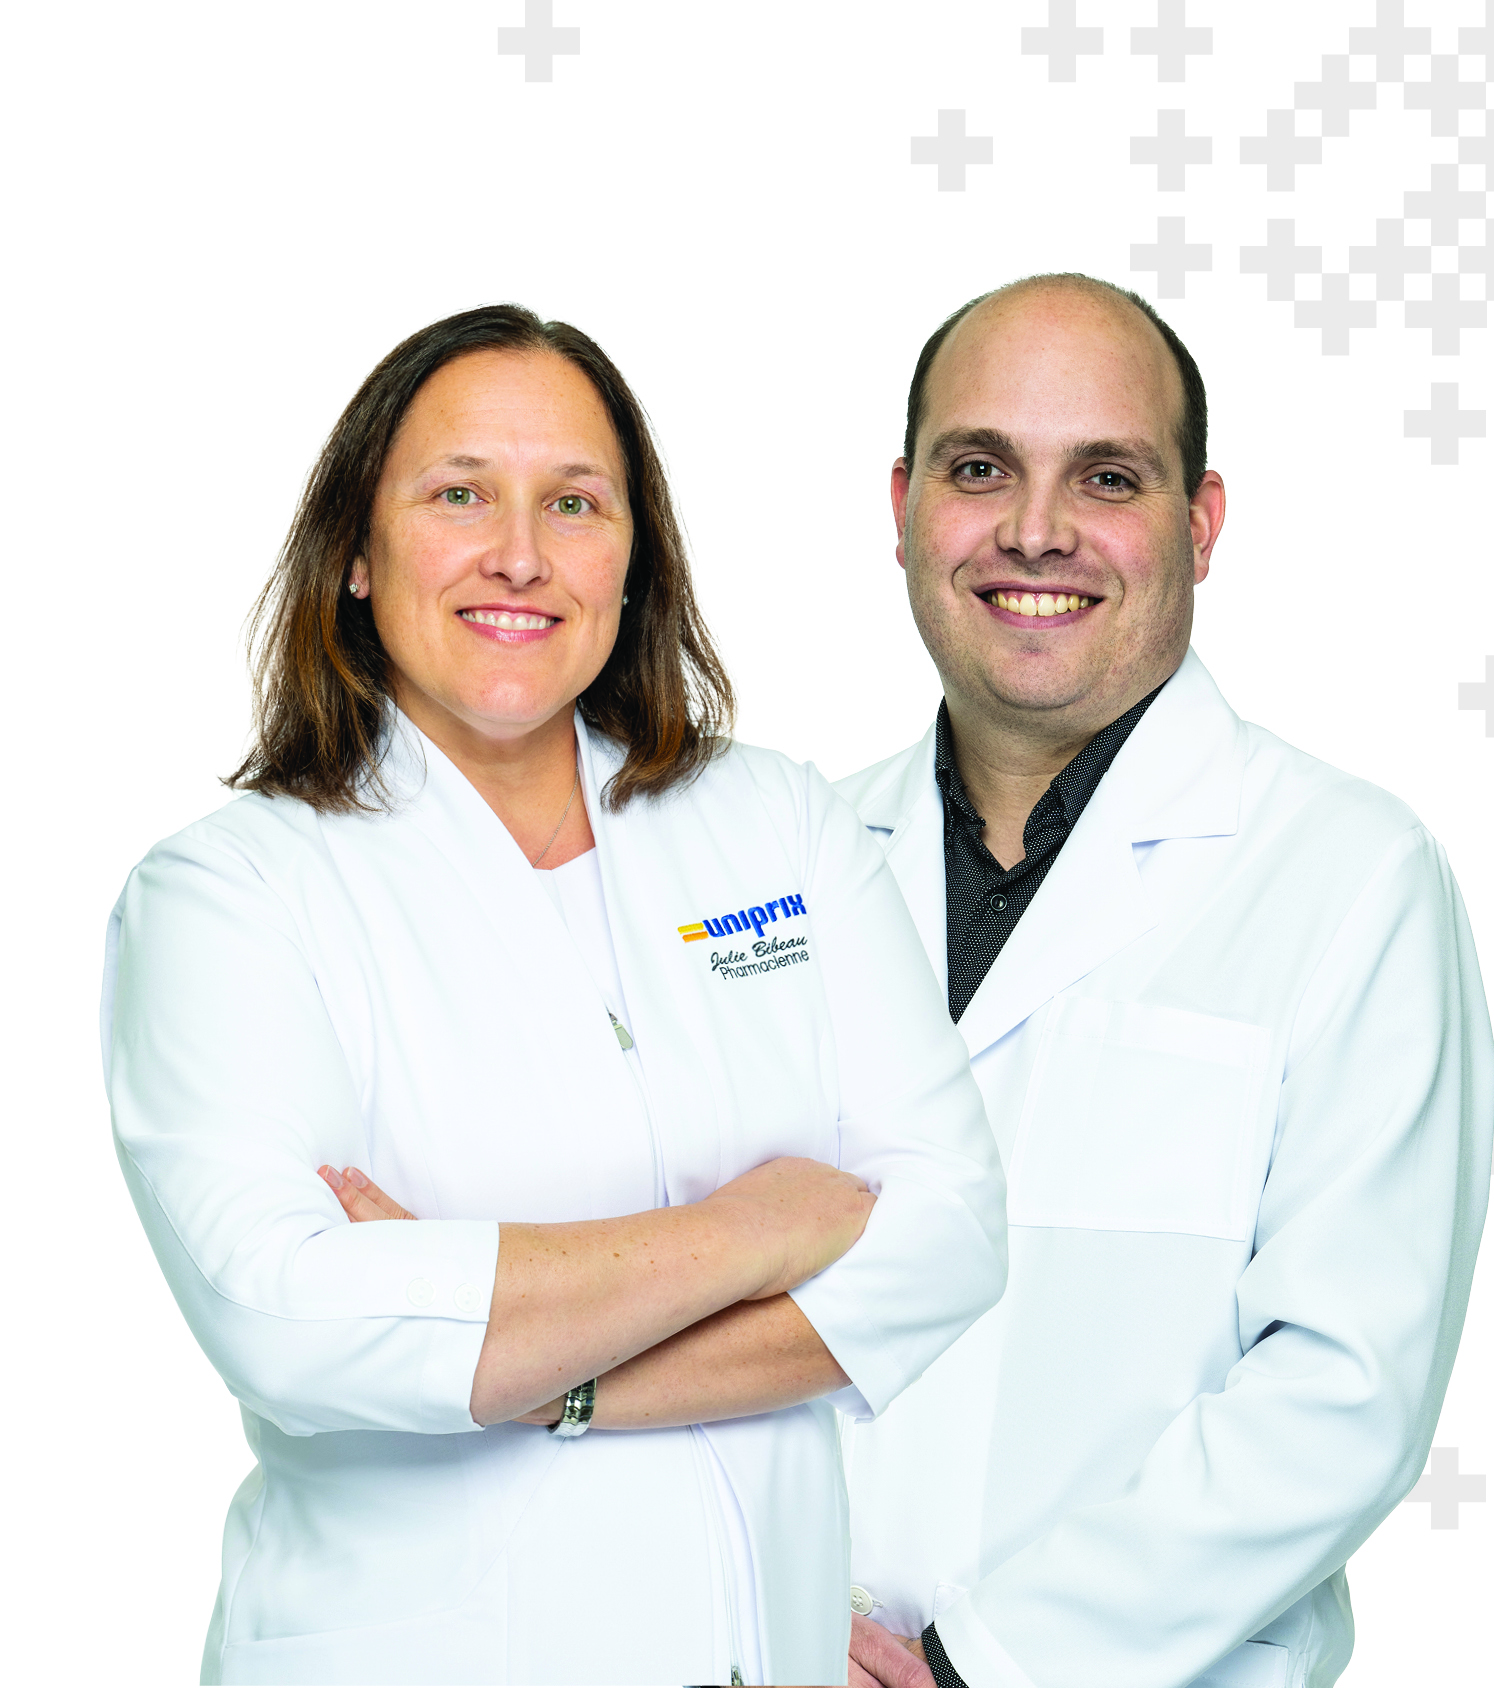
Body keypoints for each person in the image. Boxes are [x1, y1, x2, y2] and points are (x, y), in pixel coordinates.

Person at [100, 304, 1008, 1687]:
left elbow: (948, 1236)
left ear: (633, 560)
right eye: (459, 494)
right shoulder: (229, 893)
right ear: (357, 551)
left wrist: (537, 1370)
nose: (518, 553)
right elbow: (293, 1317)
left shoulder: (779, 826)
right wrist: (754, 1229)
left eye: (574, 502)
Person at [836, 274, 1494, 1688]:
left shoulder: (1349, 875)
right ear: (903, 506)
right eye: (978, 468)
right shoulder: (785, 871)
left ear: (1199, 522)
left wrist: (973, 1666)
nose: (1034, 530)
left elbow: (1343, 1392)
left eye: (1108, 477)